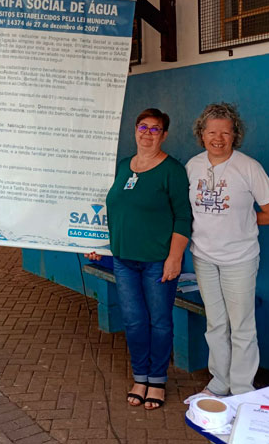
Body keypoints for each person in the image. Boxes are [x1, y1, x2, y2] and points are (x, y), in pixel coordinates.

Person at [87, 108, 192, 410]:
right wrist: (97, 245)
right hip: (124, 260)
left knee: (160, 322)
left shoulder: (172, 170)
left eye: (155, 129)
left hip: (158, 261)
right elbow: (114, 210)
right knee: (133, 322)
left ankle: (157, 380)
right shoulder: (124, 166)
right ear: (135, 131)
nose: (147, 133)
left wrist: (175, 257)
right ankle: (140, 377)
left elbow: (183, 217)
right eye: (142, 127)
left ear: (164, 135)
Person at [185, 102, 269, 399]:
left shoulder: (249, 167)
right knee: (215, 323)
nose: (218, 138)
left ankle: (241, 388)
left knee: (242, 326)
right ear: (201, 134)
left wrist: (242, 220)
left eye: (225, 133)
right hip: (203, 257)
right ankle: (219, 382)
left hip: (239, 259)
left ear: (235, 135)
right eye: (211, 132)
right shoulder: (193, 166)